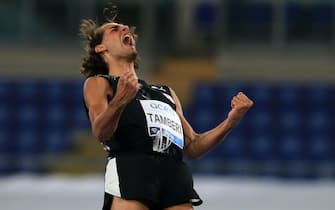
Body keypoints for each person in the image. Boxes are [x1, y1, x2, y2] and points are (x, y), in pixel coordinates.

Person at [79, 8, 253, 210]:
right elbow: (100, 131)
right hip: (132, 168)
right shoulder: (99, 83)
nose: (125, 28)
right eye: (114, 29)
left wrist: (230, 121)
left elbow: (193, 146)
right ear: (101, 48)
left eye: (125, 28)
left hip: (174, 173)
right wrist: (120, 101)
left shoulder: (166, 92)